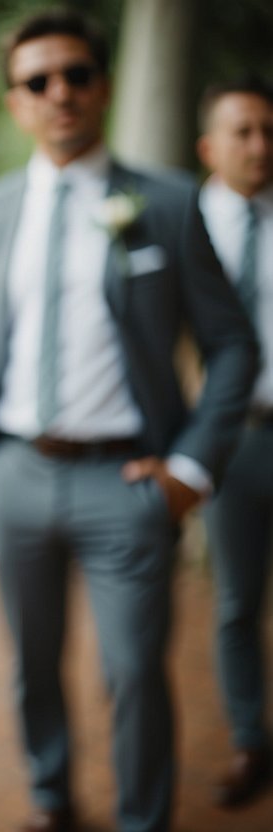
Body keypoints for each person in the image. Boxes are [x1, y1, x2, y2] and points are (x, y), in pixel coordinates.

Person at [0, 9, 258, 832]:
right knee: (31, 670)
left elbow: (231, 346)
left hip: (127, 481)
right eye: (37, 81)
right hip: (14, 473)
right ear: (15, 101)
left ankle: (140, 820)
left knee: (131, 671)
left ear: (103, 87)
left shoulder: (162, 203)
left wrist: (190, 469)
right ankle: (51, 803)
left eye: (76, 76)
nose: (60, 93)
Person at [195, 76, 273, 809]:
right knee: (234, 604)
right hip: (230, 443)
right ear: (208, 146)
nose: (258, 145)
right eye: (242, 131)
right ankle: (251, 740)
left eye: (267, 131)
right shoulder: (176, 222)